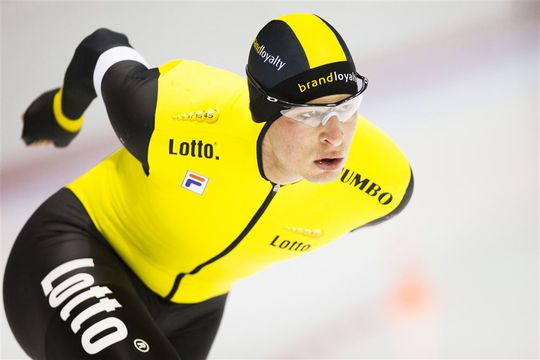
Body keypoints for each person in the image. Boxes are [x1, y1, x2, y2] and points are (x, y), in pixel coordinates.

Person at [3, 13, 413, 360]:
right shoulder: (172, 110)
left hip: (195, 313)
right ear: (263, 109)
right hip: (78, 249)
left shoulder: (383, 184)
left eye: (347, 106)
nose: (334, 135)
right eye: (309, 115)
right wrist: (62, 115)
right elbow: (101, 46)